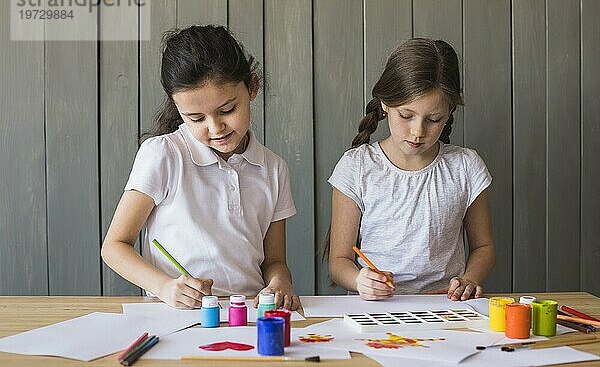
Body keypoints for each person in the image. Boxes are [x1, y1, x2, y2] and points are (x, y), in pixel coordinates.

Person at [101, 25, 300, 310]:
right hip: (175, 315)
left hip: (247, 315)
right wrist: (165, 288)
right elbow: (114, 246)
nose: (215, 127)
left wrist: (281, 282)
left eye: (228, 110)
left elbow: (275, 262)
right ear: (177, 107)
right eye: (195, 118)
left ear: (252, 87)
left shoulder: (273, 168)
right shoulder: (164, 154)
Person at [327, 38, 495, 301]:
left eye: (434, 119)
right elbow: (338, 261)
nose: (418, 132)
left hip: (446, 309)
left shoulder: (465, 167)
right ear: (384, 103)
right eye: (406, 116)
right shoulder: (357, 167)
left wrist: (469, 280)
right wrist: (360, 280)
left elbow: (484, 247)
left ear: (449, 112)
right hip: (376, 310)